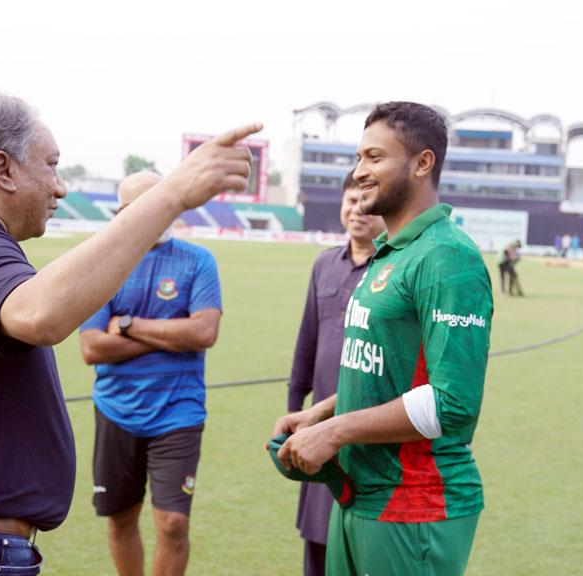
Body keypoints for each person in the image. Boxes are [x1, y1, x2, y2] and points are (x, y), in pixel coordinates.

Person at [0, 91, 260, 575]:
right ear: (2, 169)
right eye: (50, 165)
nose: (61, 187)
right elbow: (42, 316)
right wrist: (172, 194)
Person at [271, 102, 493, 576]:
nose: (359, 172)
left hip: (415, 504)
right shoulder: (391, 253)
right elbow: (385, 370)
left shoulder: (448, 257)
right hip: (360, 494)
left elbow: (452, 403)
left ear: (422, 162)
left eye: (374, 157)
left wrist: (335, 431)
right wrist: (322, 412)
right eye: (358, 158)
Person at [79, 171, 223, 576]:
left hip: (179, 412)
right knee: (121, 518)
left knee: (173, 523)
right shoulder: (101, 262)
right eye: (134, 208)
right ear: (122, 213)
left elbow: (204, 332)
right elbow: (92, 347)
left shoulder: (198, 260)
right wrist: (172, 335)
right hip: (115, 410)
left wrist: (127, 326)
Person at [286, 169, 386, 576]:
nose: (357, 211)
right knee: (318, 540)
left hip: (368, 431)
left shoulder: (393, 270)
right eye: (350, 201)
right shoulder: (324, 264)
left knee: (364, 544)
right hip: (318, 428)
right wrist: (294, 410)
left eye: (366, 203)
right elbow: (306, 345)